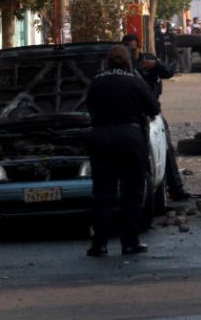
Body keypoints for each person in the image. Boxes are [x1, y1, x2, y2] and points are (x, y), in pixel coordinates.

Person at [86, 45, 161, 257]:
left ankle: (99, 244)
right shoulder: (134, 81)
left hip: (101, 139)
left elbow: (89, 107)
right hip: (130, 139)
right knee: (132, 193)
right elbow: (154, 109)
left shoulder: (97, 81)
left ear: (107, 61)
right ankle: (130, 242)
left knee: (103, 194)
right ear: (127, 61)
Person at [122, 35, 192, 201]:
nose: (130, 53)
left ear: (138, 47)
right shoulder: (123, 65)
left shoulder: (148, 60)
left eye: (132, 49)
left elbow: (168, 72)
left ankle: (175, 187)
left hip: (150, 113)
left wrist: (156, 65)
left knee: (165, 147)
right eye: (127, 49)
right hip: (130, 114)